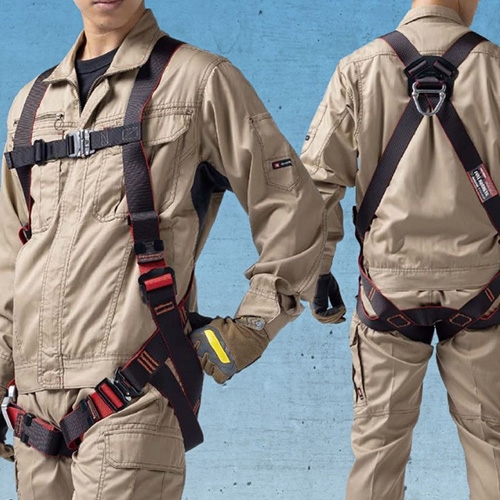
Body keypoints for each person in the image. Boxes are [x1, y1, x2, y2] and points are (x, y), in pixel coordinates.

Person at [0, 1, 326, 498]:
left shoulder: (198, 80)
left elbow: (291, 204)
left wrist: (255, 324)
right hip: (34, 418)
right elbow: (10, 257)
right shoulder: (31, 106)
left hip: (132, 397)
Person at [303, 0, 500, 498]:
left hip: (386, 291)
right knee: (494, 448)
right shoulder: (496, 69)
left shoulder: (357, 69)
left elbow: (317, 185)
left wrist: (318, 273)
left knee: (377, 454)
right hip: (485, 288)